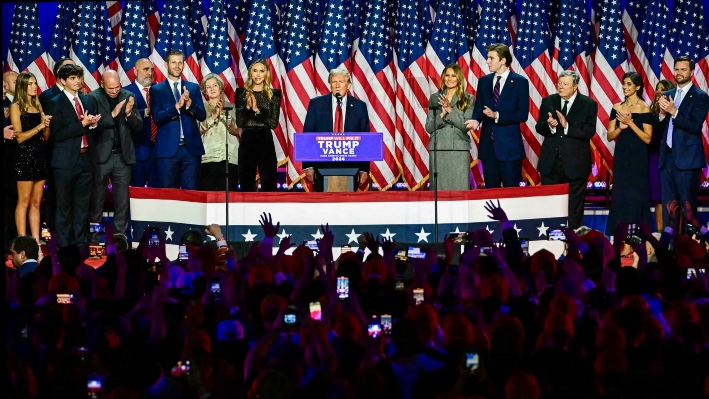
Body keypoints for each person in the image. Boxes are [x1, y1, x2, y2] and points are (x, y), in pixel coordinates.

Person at [46, 64, 102, 249]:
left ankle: (80, 244)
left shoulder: (87, 101)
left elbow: (93, 130)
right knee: (64, 206)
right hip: (65, 162)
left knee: (82, 205)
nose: (77, 81)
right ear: (62, 81)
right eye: (72, 78)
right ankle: (63, 246)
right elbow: (59, 133)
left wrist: (92, 125)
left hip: (86, 160)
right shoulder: (55, 102)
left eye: (78, 77)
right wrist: (83, 124)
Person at [535, 70, 598, 230]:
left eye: (565, 84)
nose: (560, 87)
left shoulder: (588, 104)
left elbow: (589, 131)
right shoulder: (548, 101)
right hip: (551, 165)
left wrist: (567, 126)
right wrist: (550, 126)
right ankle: (552, 244)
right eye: (559, 83)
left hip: (575, 166)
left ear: (575, 86)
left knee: (574, 209)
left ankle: (573, 244)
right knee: (550, 207)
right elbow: (539, 127)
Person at [86, 70, 142, 242]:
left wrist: (128, 114)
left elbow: (139, 126)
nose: (114, 91)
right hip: (101, 157)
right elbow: (93, 128)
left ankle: (119, 237)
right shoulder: (92, 98)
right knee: (97, 201)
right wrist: (113, 115)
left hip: (122, 157)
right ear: (102, 84)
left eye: (117, 87)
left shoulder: (129, 96)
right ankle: (94, 238)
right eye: (110, 88)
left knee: (122, 201)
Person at [466, 43, 529, 188]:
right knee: (491, 192)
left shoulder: (520, 82)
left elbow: (522, 114)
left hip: (509, 149)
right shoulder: (484, 81)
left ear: (503, 60)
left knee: (510, 192)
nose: (487, 61)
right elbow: (479, 108)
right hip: (488, 149)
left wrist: (497, 115)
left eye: (491, 58)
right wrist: (476, 120)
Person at [657, 56, 709, 229]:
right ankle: (670, 251)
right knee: (669, 210)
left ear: (692, 72)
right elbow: (659, 128)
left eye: (683, 69)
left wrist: (674, 111)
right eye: (677, 69)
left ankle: (689, 251)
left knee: (688, 211)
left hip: (688, 161)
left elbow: (695, 126)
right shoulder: (668, 95)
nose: (679, 73)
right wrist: (662, 115)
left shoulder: (700, 96)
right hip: (667, 159)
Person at [302, 68, 370, 192]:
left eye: (341, 82)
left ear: (348, 85)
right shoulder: (316, 104)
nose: (337, 85)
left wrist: (363, 169)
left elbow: (365, 139)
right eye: (334, 82)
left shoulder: (360, 106)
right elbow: (308, 135)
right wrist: (309, 165)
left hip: (350, 166)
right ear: (330, 85)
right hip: (321, 165)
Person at [604, 72, 653, 235]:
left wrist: (630, 123)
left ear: (638, 87)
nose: (625, 87)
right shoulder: (617, 107)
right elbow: (610, 136)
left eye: (629, 84)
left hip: (638, 157)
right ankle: (620, 234)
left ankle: (639, 234)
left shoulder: (645, 108)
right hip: (622, 157)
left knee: (636, 194)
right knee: (621, 193)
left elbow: (647, 138)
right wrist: (620, 127)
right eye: (624, 83)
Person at [150, 49, 206, 190]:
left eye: (180, 63)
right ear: (166, 65)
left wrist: (189, 104)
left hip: (190, 150)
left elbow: (202, 116)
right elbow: (157, 118)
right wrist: (177, 107)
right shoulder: (156, 90)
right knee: (168, 197)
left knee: (191, 195)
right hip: (167, 152)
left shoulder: (193, 88)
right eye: (173, 62)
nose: (177, 66)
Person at [9, 72, 52, 243]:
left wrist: (46, 126)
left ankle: (35, 243)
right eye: (31, 84)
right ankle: (21, 242)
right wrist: (40, 126)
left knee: (36, 203)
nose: (35, 86)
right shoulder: (16, 106)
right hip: (24, 158)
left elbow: (46, 136)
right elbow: (19, 137)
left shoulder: (38, 105)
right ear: (22, 86)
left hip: (40, 156)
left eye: (35, 83)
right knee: (24, 202)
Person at [425, 63, 475, 190]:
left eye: (453, 75)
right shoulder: (435, 98)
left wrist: (450, 110)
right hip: (439, 149)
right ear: (443, 77)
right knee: (439, 192)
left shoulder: (468, 98)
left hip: (459, 149)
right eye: (447, 75)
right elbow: (429, 127)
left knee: (459, 192)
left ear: (459, 78)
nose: (450, 78)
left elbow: (465, 126)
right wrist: (442, 113)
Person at [234, 59, 280, 192]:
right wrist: (247, 108)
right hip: (247, 139)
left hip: (265, 138)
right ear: (250, 73)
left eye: (261, 71)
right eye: (255, 71)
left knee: (269, 181)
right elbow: (240, 123)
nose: (258, 74)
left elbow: (272, 123)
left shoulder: (273, 94)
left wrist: (257, 110)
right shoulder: (241, 93)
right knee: (246, 181)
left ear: (266, 74)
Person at [199, 73, 239, 191]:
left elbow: (235, 131)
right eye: (208, 87)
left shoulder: (233, 107)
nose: (212, 89)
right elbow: (198, 131)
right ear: (205, 91)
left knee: (227, 198)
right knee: (207, 199)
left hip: (229, 159)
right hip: (207, 158)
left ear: (221, 87)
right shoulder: (200, 109)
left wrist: (222, 114)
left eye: (215, 85)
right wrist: (214, 115)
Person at [124, 58, 157, 187]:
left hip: (160, 152)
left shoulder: (160, 90)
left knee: (159, 194)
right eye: (145, 69)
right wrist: (145, 112)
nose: (150, 73)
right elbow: (124, 117)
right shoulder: (125, 92)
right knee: (136, 194)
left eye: (152, 69)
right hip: (137, 152)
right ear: (135, 71)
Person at [649, 79, 676, 229]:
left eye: (663, 89)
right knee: (658, 198)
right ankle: (660, 235)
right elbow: (651, 138)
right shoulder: (651, 114)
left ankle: (675, 236)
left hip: (672, 159)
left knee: (673, 199)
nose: (659, 91)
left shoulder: (675, 113)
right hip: (654, 159)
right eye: (657, 89)